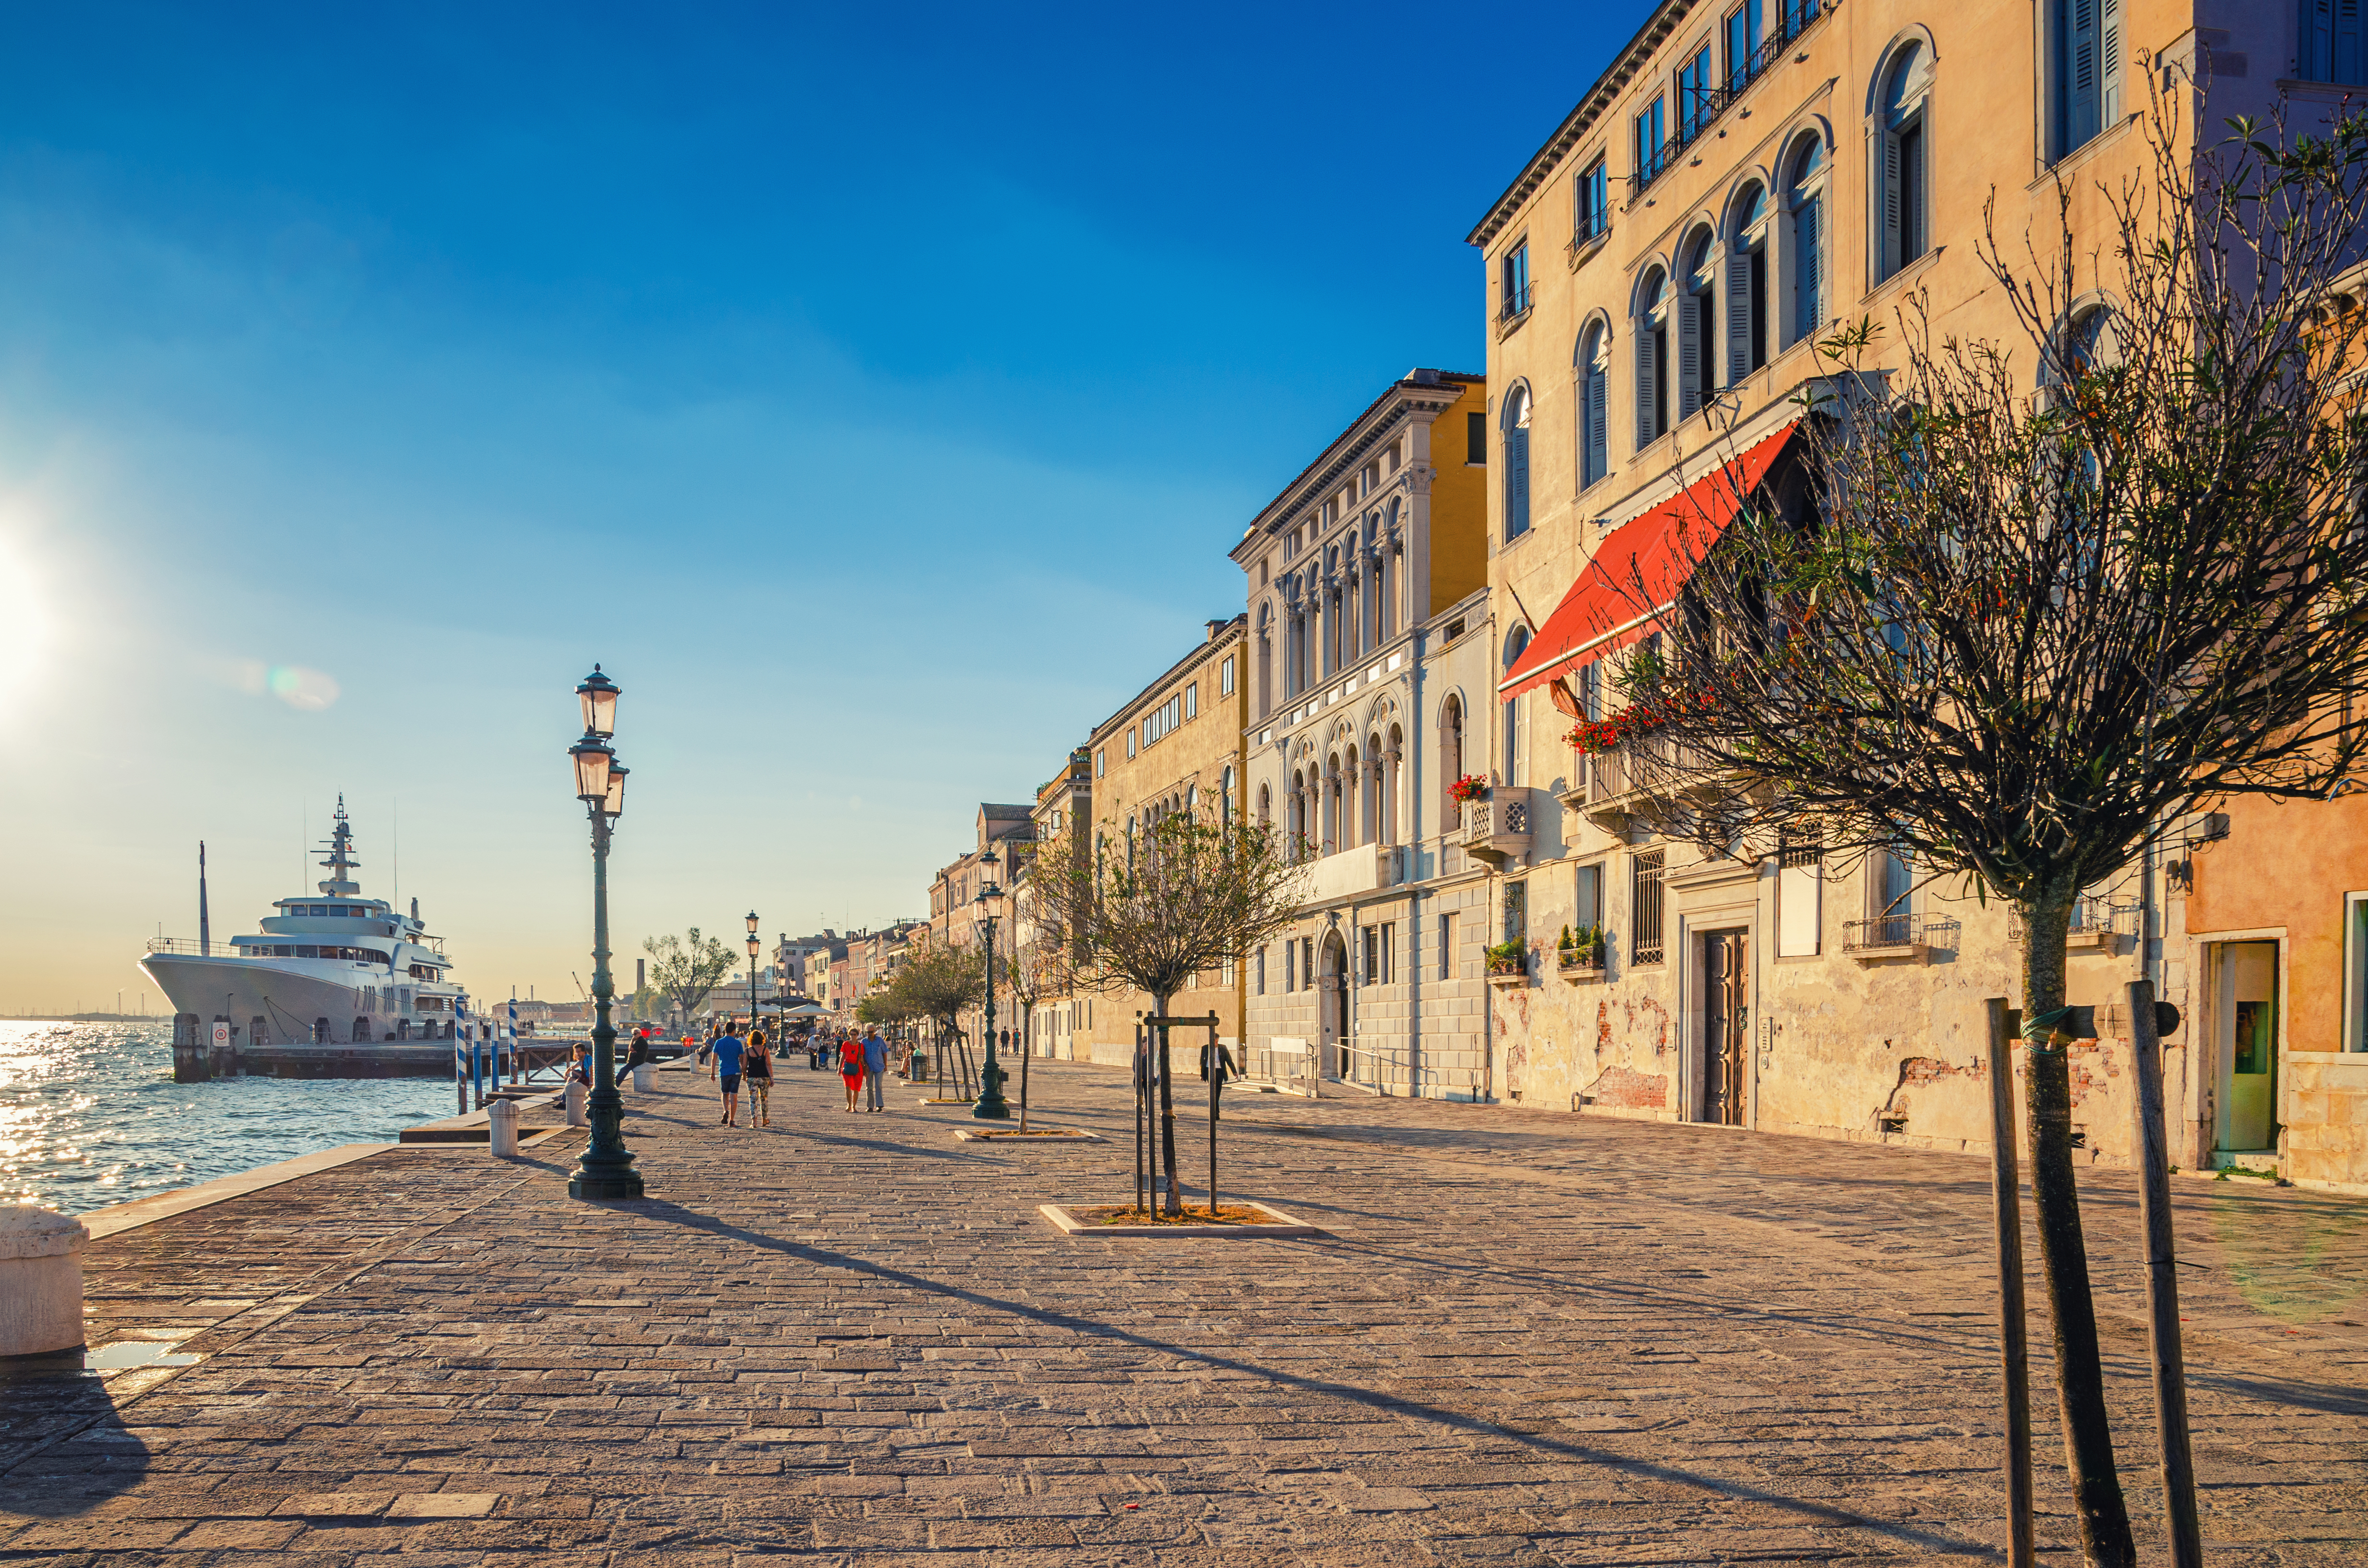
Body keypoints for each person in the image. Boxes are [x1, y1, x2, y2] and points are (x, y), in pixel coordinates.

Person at [707, 1022, 747, 1127]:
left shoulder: (719, 1043)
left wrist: (712, 1073)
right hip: (736, 1072)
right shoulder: (738, 1043)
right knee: (734, 1096)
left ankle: (726, 1111)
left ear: (725, 1031)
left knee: (725, 1094)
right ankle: (732, 1120)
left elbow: (714, 1059)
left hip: (724, 1072)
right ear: (734, 1031)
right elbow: (742, 1059)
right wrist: (744, 1073)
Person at [744, 1027, 773, 1128]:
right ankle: (765, 1120)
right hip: (764, 1077)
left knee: (753, 1100)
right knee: (764, 1099)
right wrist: (772, 1078)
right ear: (762, 1039)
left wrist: (744, 1076)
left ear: (751, 1040)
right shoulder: (765, 1050)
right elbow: (768, 1064)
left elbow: (744, 1066)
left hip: (752, 1077)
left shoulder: (747, 1051)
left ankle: (754, 1122)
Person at [861, 1026, 888, 1112]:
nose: (870, 1034)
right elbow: (861, 1055)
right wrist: (864, 1065)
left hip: (879, 1066)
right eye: (868, 1032)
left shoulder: (880, 1041)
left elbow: (885, 1053)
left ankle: (879, 1105)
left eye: (871, 1032)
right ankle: (870, 1106)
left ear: (874, 1032)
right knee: (869, 1087)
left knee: (878, 1086)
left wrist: (885, 1065)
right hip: (868, 1068)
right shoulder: (864, 1042)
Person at [837, 1034, 864, 1112]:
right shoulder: (846, 1044)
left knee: (856, 1089)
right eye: (852, 1034)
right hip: (847, 1067)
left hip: (858, 1068)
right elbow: (843, 1056)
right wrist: (839, 1068)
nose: (853, 1036)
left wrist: (865, 1069)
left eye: (855, 1034)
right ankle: (849, 1105)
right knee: (848, 1087)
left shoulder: (860, 1046)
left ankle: (854, 1106)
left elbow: (862, 1058)